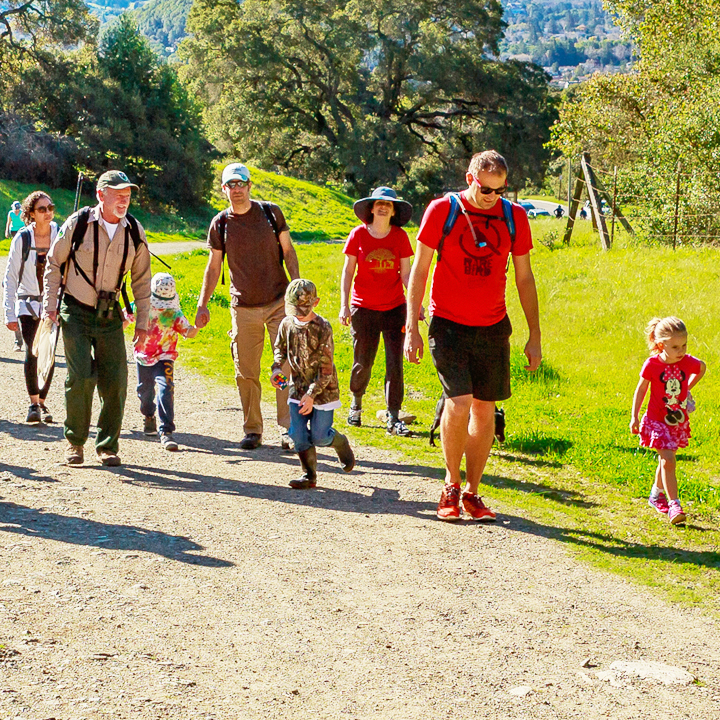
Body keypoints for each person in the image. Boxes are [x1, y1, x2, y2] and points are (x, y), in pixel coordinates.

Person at [404, 149, 542, 522]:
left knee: (485, 409)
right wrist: (411, 327)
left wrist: (535, 335)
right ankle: (450, 483)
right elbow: (420, 269)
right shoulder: (441, 210)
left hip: (493, 326)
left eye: (498, 191)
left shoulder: (514, 217)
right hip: (448, 323)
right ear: (469, 179)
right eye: (484, 189)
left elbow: (524, 278)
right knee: (460, 401)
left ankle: (473, 492)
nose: (490, 197)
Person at [43, 170, 151, 467]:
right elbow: (54, 262)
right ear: (100, 195)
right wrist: (50, 305)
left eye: (127, 195)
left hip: (110, 314)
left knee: (115, 381)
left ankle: (107, 446)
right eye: (118, 194)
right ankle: (75, 443)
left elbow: (142, 280)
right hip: (75, 310)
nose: (124, 200)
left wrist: (143, 322)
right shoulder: (78, 223)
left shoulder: (134, 231)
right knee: (81, 377)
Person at [196, 163, 300, 451]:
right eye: (231, 184)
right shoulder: (221, 223)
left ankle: (288, 428)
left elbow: (288, 251)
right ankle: (252, 429)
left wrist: (298, 290)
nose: (237, 189)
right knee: (246, 371)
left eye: (241, 183)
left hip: (279, 302)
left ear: (250, 185)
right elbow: (213, 265)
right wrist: (202, 304)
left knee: (283, 368)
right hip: (243, 307)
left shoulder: (270, 213)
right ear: (224, 189)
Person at [339, 186, 417, 436]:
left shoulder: (400, 237)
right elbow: (348, 272)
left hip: (395, 307)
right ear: (371, 208)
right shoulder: (358, 235)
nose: (383, 207)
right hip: (363, 308)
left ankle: (393, 416)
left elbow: (406, 274)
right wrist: (344, 305)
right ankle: (356, 405)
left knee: (395, 363)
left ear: (394, 211)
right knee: (363, 361)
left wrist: (417, 305)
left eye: (389, 204)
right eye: (379, 203)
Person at [271, 279, 355, 488]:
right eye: (294, 309)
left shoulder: (323, 327)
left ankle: (339, 442)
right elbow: (279, 349)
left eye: (304, 309)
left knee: (319, 436)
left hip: (323, 391)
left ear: (315, 302)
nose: (298, 314)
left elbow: (326, 370)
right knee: (297, 433)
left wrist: (311, 395)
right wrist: (276, 369)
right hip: (297, 388)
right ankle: (309, 475)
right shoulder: (287, 324)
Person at [630, 317, 706, 526]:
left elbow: (701, 367)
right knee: (668, 460)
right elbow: (642, 389)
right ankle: (674, 504)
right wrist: (634, 416)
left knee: (667, 458)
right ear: (661, 345)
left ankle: (656, 495)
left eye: (684, 345)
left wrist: (688, 388)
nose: (681, 350)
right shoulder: (652, 364)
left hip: (676, 421)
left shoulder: (686, 362)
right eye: (675, 346)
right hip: (656, 420)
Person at [3, 192, 59, 422]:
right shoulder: (23, 239)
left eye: (50, 207)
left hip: (53, 304)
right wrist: (9, 312)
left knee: (50, 351)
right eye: (42, 209)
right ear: (31, 214)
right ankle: (33, 404)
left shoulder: (60, 234)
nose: (48, 213)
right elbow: (10, 278)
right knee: (33, 350)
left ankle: (43, 403)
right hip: (27, 303)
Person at [135, 273, 198, 451]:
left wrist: (199, 326)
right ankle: (148, 416)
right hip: (144, 355)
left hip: (165, 355)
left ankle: (167, 431)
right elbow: (125, 319)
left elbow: (188, 332)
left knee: (166, 388)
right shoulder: (141, 307)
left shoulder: (174, 313)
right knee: (144, 391)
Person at [6, 200, 26, 351]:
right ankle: (18, 342)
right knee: (17, 309)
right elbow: (10, 270)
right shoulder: (17, 245)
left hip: (33, 286)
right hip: (19, 283)